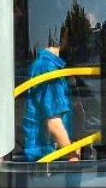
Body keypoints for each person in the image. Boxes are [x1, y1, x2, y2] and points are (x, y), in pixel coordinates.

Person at [22, 26, 79, 162]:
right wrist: (73, 157)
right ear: (63, 35)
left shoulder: (49, 65)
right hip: (46, 158)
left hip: (52, 153)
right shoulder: (47, 68)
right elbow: (53, 123)